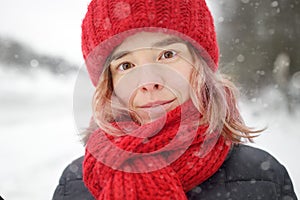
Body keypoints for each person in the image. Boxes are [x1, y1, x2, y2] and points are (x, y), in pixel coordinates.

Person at [52, 0, 298, 199]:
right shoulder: (75, 185)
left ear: (199, 67)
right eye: (126, 65)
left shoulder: (262, 178)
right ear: (110, 85)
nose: (148, 81)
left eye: (167, 54)